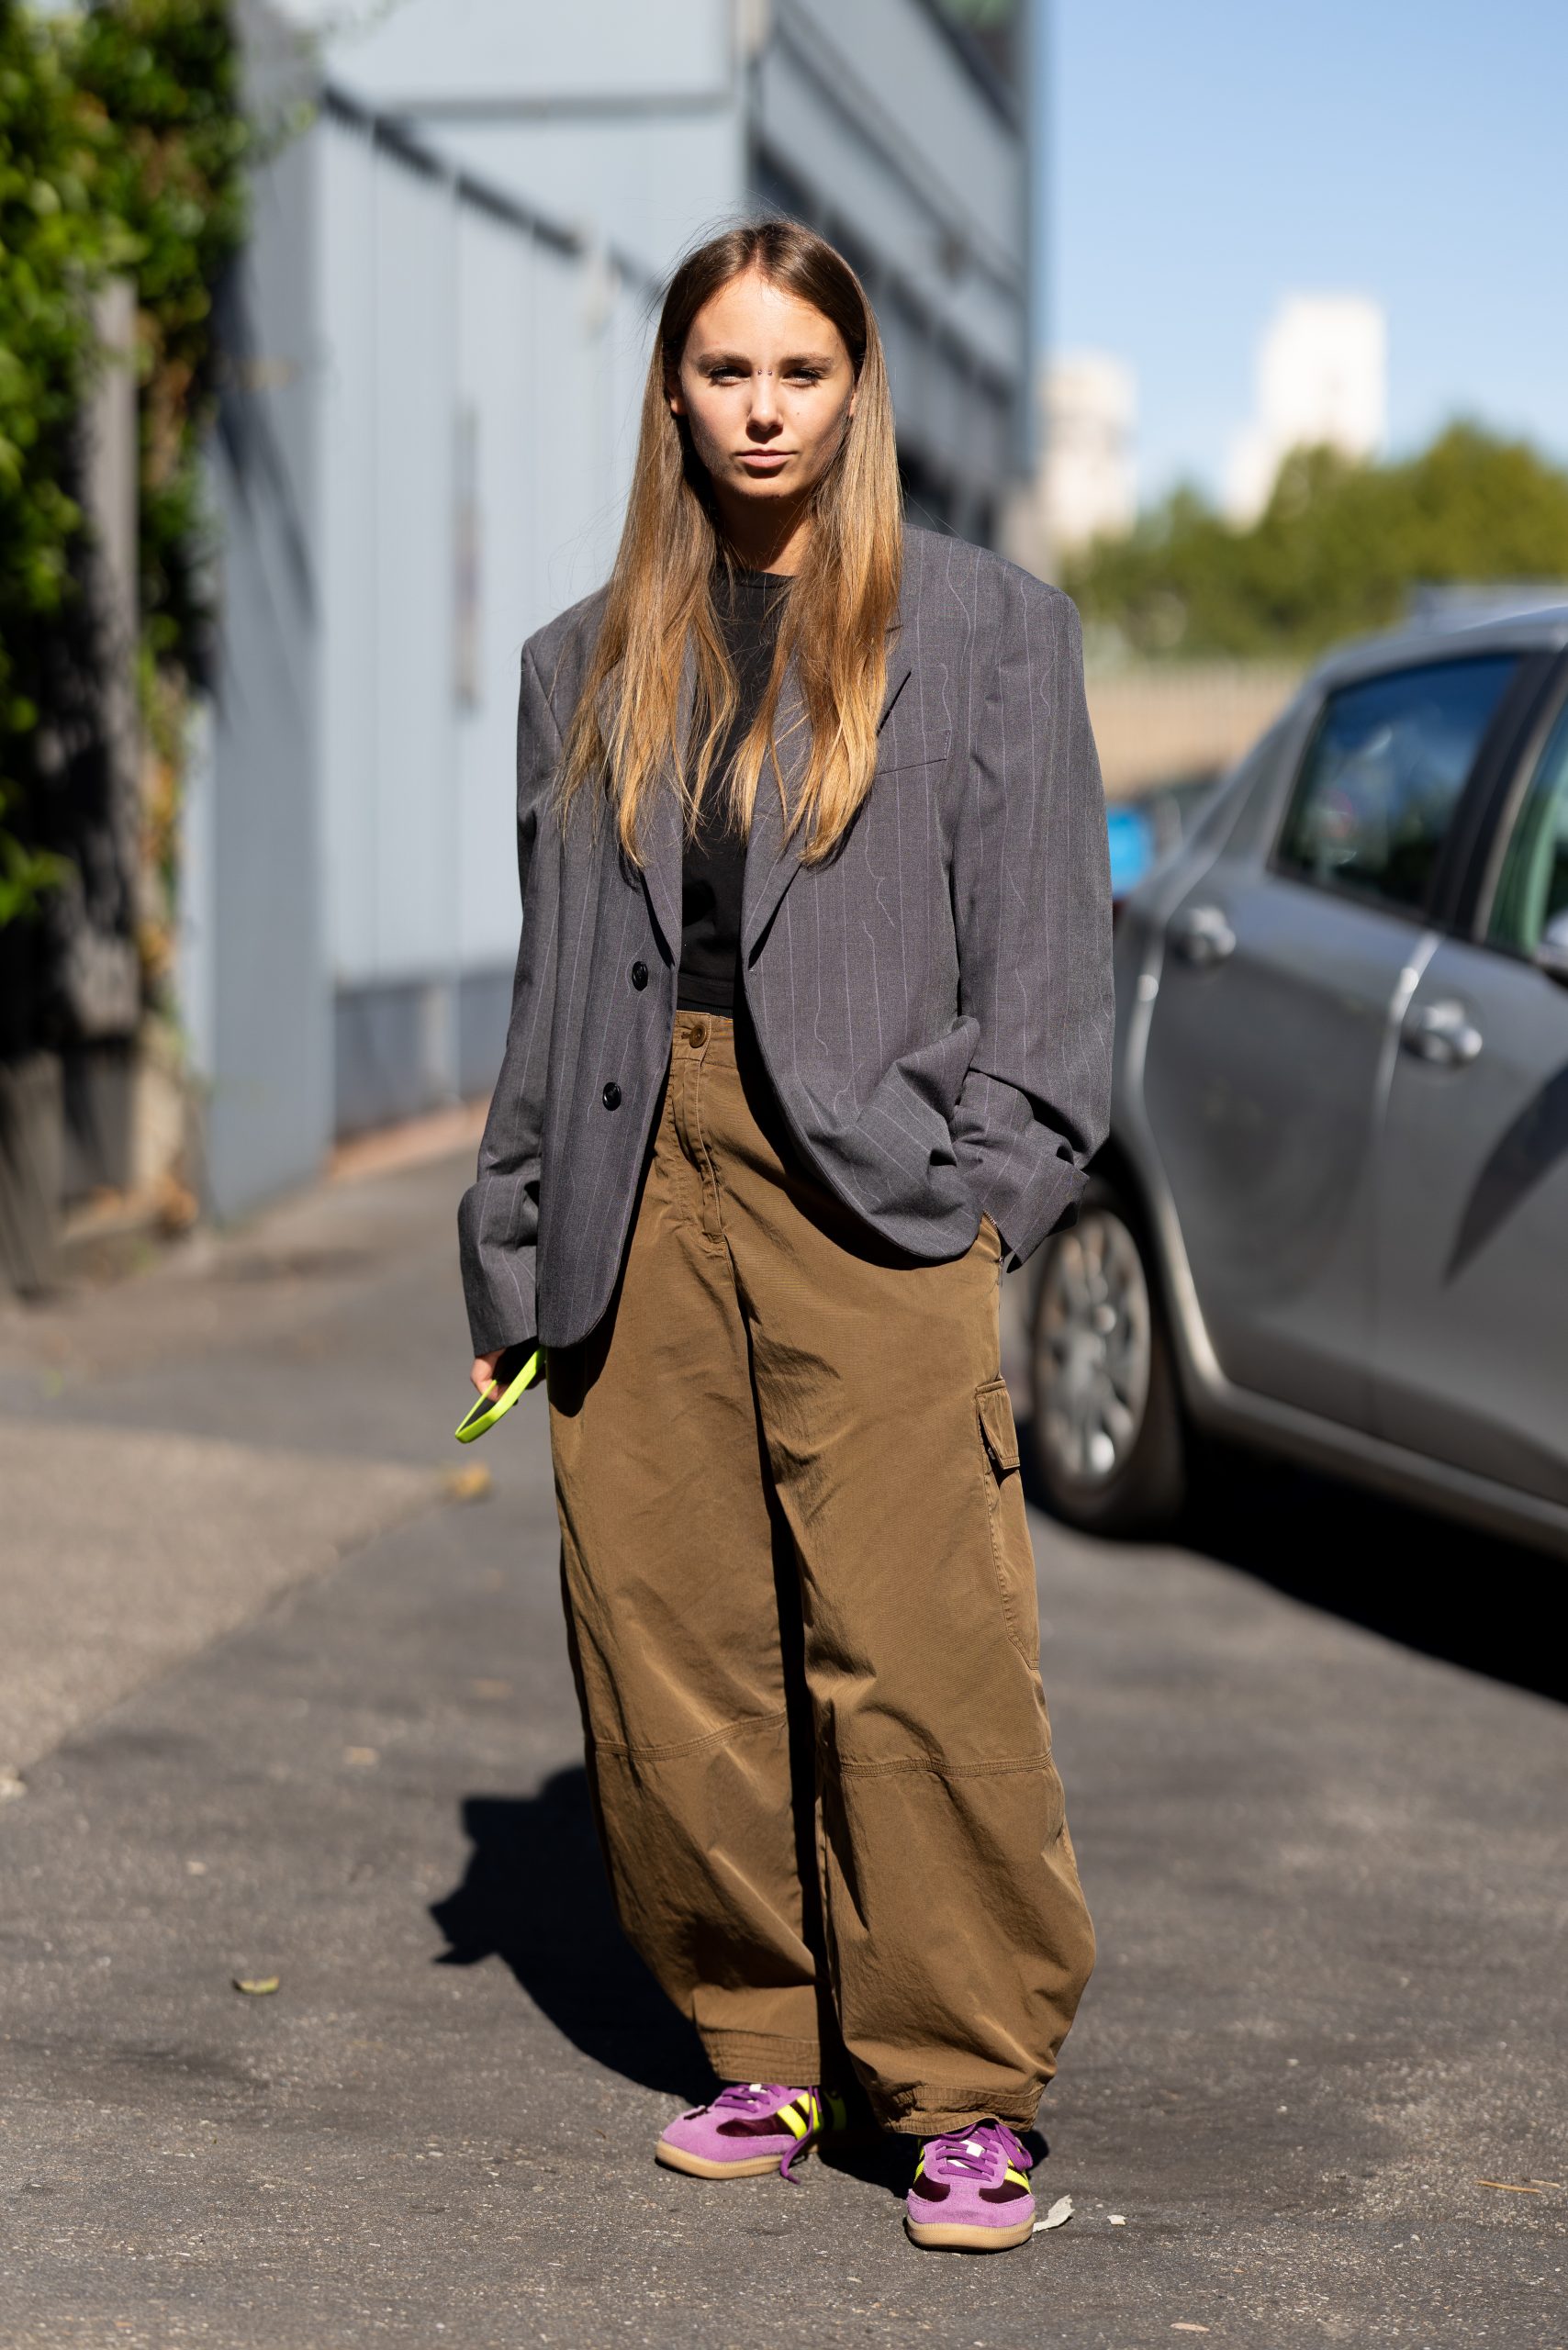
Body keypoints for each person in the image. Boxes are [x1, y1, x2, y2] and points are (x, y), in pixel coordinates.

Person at [458, 220, 1113, 2255]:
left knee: (915, 1639)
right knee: (670, 1629)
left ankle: (961, 2081)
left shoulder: (989, 629)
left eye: (798, 374)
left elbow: (1045, 959)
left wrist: (991, 1182)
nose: (759, 409)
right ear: (672, 390)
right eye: (724, 372)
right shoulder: (581, 658)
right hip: (635, 1160)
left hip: (881, 1179)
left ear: (854, 393)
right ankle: (766, 2037)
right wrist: (511, 1247)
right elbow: (555, 976)